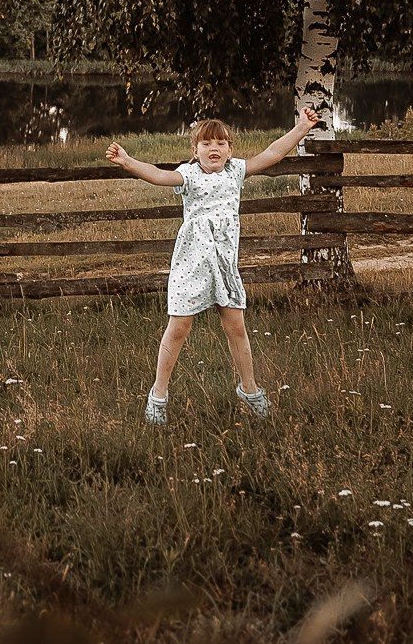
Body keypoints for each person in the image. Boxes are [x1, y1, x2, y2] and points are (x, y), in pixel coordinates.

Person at [106, 109, 320, 424]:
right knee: (179, 328)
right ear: (195, 152)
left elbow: (272, 153)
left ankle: (250, 390)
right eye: (206, 144)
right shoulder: (188, 175)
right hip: (191, 265)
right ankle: (158, 395)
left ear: (230, 150)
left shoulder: (235, 172)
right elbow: (159, 175)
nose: (214, 148)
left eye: (220, 143)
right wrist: (128, 162)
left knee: (236, 327)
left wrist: (302, 127)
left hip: (224, 265)